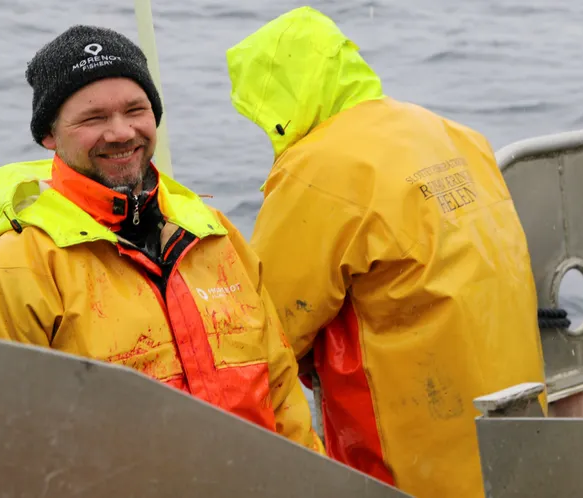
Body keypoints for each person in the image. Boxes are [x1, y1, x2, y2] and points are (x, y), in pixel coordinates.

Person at [225, 7, 547, 498]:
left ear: (278, 97)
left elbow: (269, 323)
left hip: (410, 454)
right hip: (511, 430)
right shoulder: (450, 133)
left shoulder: (317, 167)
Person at [0, 24, 323, 455]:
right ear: (49, 135)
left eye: (135, 110)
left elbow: (283, 398)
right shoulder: (11, 273)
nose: (120, 132)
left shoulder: (216, 237)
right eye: (93, 118)